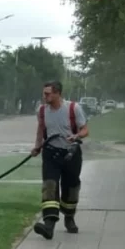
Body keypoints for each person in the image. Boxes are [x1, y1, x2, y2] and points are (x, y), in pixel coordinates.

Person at [30, 80, 89, 240]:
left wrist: (77, 136)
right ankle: (48, 226)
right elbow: (41, 129)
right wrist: (37, 147)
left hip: (71, 154)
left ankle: (69, 218)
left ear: (57, 93)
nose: (45, 96)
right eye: (44, 93)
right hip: (50, 153)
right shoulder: (42, 110)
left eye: (48, 93)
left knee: (71, 187)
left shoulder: (73, 108)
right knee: (50, 186)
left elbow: (85, 129)